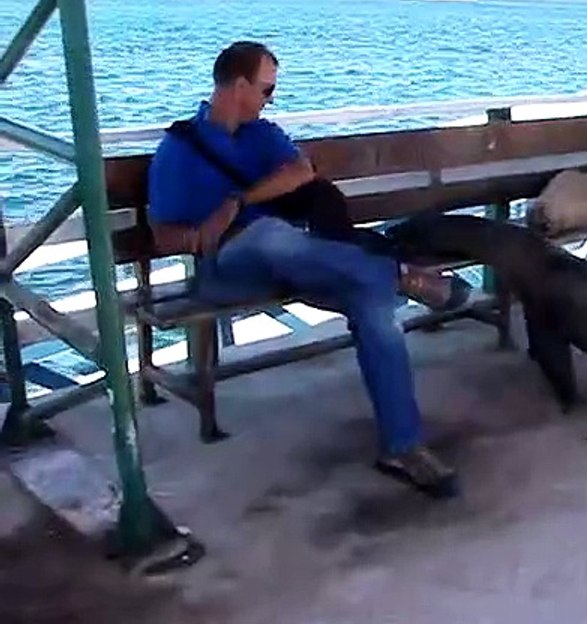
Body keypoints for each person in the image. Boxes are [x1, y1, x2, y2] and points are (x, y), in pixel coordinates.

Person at [147, 40, 471, 499]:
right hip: (231, 269)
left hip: (300, 258)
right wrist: (202, 234)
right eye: (266, 89)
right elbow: (163, 236)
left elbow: (302, 172)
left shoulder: (262, 135)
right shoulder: (178, 150)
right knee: (271, 237)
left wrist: (238, 201)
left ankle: (403, 446)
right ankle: (397, 272)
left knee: (371, 306)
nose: (270, 99)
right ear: (239, 85)